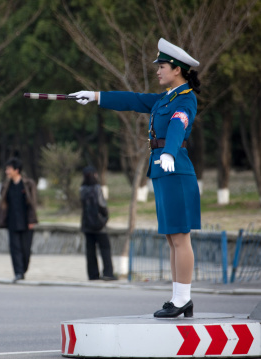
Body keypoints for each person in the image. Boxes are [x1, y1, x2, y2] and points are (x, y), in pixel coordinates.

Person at [70, 38, 201, 318]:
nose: (157, 71)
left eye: (162, 66)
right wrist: (94, 95)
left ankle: (183, 299)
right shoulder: (165, 98)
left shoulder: (186, 99)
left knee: (180, 237)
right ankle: (179, 297)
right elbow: (133, 99)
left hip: (175, 170)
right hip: (163, 171)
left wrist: (169, 151)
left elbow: (179, 124)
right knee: (172, 238)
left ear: (177, 69)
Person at [0, 157, 38, 282]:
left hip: (26, 222)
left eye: (9, 169)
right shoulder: (6, 185)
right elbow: (3, 204)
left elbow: (33, 203)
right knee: (14, 249)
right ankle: (18, 273)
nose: (7, 172)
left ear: (16, 170)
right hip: (12, 222)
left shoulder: (28, 184)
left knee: (25, 249)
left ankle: (23, 269)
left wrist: (32, 220)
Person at [80, 166, 116, 281]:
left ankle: (92, 275)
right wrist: (106, 217)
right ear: (95, 175)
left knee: (90, 251)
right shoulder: (97, 188)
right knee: (105, 248)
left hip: (86, 224)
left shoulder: (82, 189)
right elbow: (102, 205)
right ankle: (108, 273)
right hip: (99, 225)